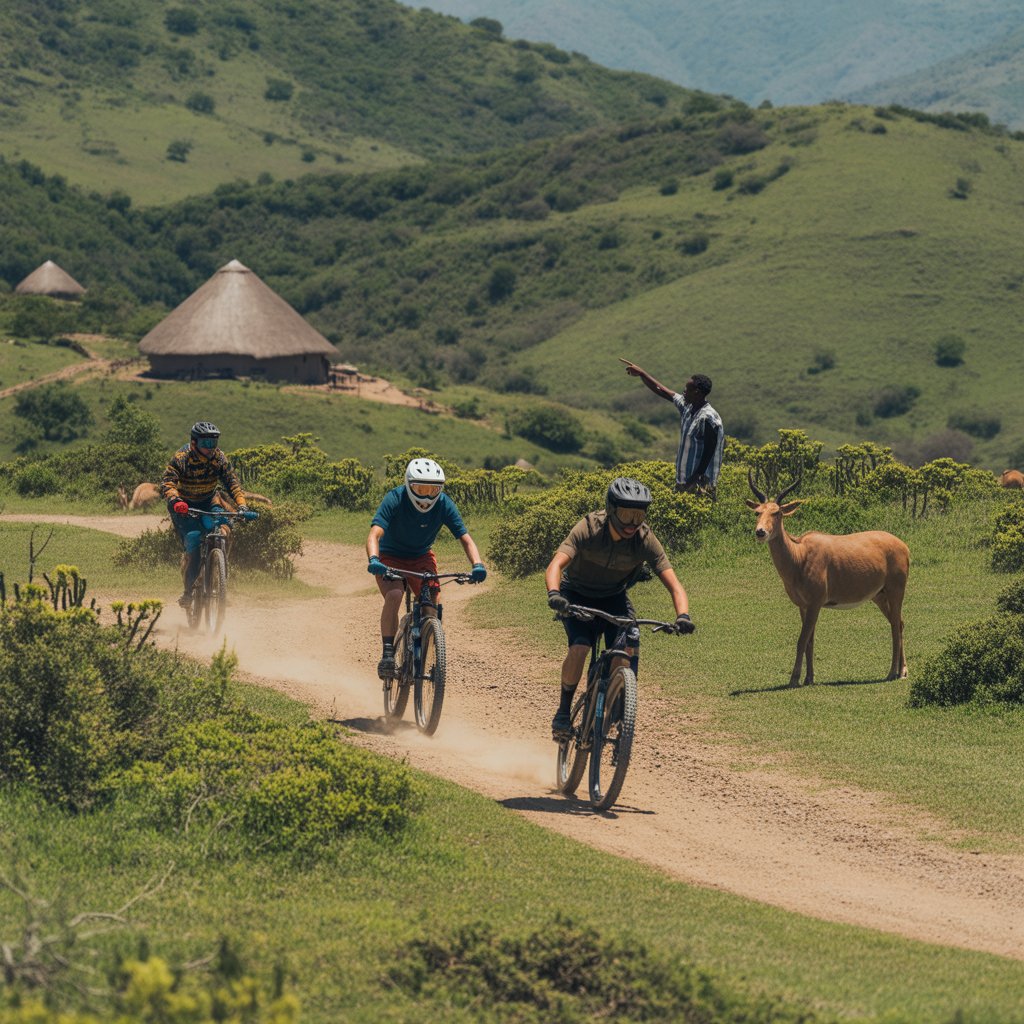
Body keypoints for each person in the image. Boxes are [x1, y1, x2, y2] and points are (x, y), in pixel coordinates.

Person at [544, 477, 694, 739]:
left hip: (613, 597)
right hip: (576, 595)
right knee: (580, 647)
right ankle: (563, 713)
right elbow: (556, 565)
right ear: (611, 510)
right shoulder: (589, 527)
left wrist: (683, 615)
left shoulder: (644, 538)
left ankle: (620, 710)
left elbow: (674, 584)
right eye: (626, 515)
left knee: (626, 650)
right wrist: (555, 595)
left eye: (639, 516)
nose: (632, 524)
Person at [366, 457, 487, 678]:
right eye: (420, 489)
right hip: (390, 556)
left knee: (432, 605)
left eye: (433, 490)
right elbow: (375, 534)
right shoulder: (395, 498)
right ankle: (388, 654)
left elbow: (465, 538)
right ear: (409, 484)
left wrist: (477, 564)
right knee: (394, 594)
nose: (427, 496)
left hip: (421, 557)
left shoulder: (444, 504)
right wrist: (374, 559)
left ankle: (426, 651)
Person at [162, 421, 248, 607]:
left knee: (224, 530)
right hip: (184, 506)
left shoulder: (219, 458)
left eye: (213, 443)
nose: (210, 448)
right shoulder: (181, 458)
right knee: (193, 541)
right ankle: (188, 592)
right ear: (194, 443)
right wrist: (175, 501)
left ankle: (219, 574)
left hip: (209, 501)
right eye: (205, 443)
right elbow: (168, 482)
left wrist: (242, 505)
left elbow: (232, 482)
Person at [621, 361, 724, 496]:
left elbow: (708, 453)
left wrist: (693, 481)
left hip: (700, 485)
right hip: (683, 481)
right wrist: (642, 374)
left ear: (697, 392)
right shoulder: (688, 407)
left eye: (687, 389)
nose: (683, 392)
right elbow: (662, 390)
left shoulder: (708, 418)